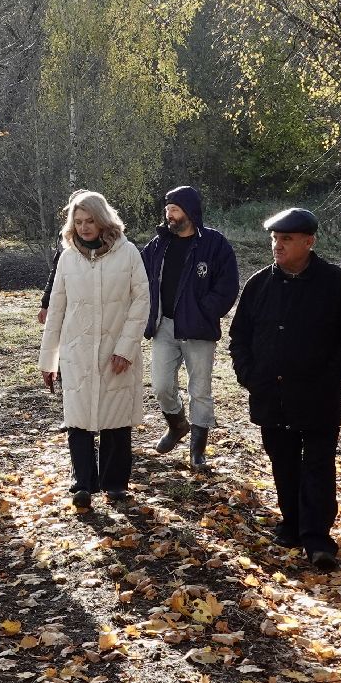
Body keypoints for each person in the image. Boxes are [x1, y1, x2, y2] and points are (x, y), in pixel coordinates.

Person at [229, 207, 341, 570]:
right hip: (271, 395)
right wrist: (249, 374)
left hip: (318, 396)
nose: (278, 245)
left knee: (318, 466)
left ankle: (318, 538)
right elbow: (239, 336)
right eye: (275, 238)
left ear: (309, 242)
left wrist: (333, 375)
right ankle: (291, 524)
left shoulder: (334, 283)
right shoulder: (258, 284)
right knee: (283, 461)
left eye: (286, 239)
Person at [38, 190, 150, 510]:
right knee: (78, 420)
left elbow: (141, 302)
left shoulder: (127, 253)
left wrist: (125, 348)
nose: (84, 227)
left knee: (116, 420)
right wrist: (49, 359)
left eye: (90, 221)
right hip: (77, 351)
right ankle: (82, 483)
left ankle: (114, 484)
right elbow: (56, 308)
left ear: (103, 221)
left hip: (117, 350)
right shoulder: (68, 257)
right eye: (79, 221)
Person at [141, 185, 239, 471]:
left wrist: (203, 311)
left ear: (190, 212)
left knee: (200, 390)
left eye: (174, 209)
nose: (168, 215)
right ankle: (177, 424)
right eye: (167, 210)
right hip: (164, 326)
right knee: (160, 385)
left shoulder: (214, 244)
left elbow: (228, 285)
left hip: (198, 329)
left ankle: (198, 451)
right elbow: (137, 272)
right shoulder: (159, 244)